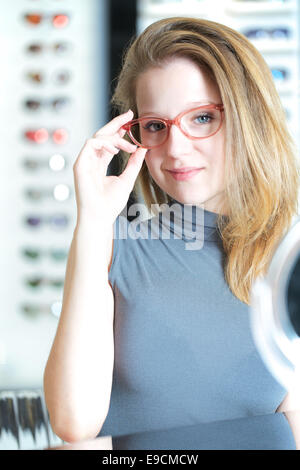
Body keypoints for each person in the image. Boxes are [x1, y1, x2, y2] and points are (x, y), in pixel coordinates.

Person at [43, 17, 300, 447]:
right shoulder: (114, 245)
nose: (176, 148)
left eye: (202, 118)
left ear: (249, 117)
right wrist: (93, 222)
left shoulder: (288, 254)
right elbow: (74, 421)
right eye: (157, 125)